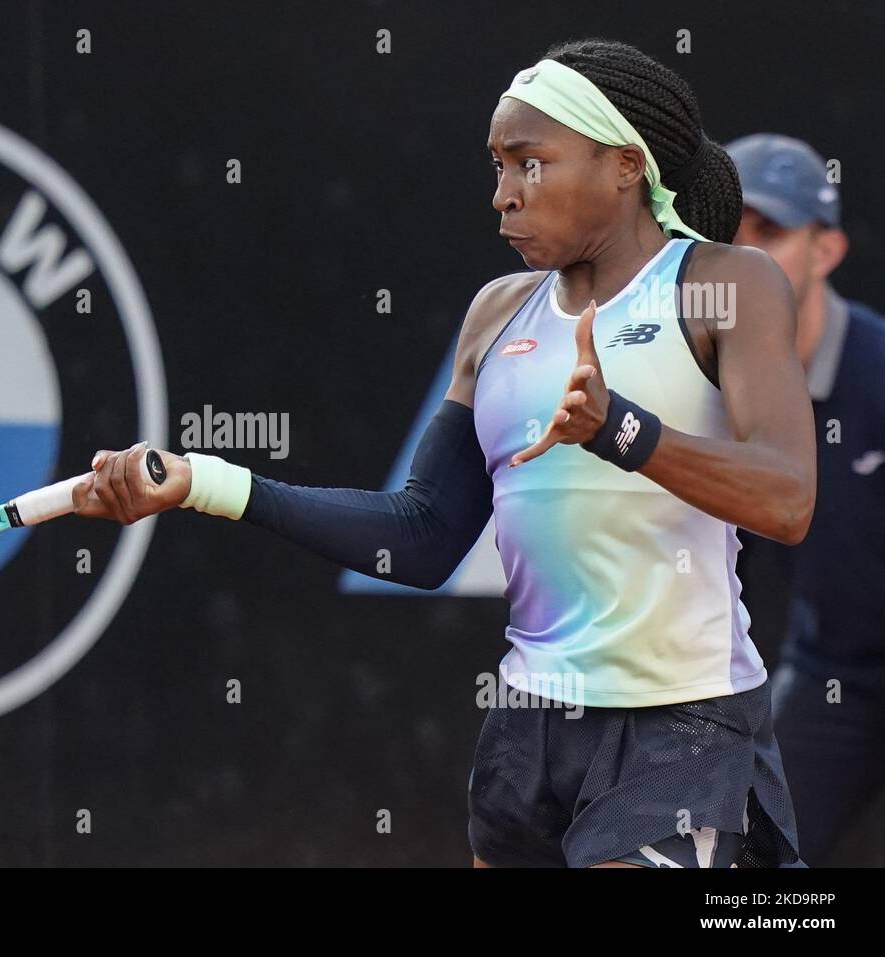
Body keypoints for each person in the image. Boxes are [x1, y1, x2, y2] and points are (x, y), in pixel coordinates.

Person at [74, 38, 815, 868]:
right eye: (497, 166)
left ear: (623, 165)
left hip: (681, 724)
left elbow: (786, 500)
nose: (503, 196)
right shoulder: (497, 312)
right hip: (529, 728)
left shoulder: (725, 285)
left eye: (529, 163)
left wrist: (621, 430)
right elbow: (423, 533)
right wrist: (204, 482)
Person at [727, 133, 885, 866]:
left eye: (770, 231)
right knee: (752, 865)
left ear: (824, 252)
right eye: (725, 231)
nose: (744, 254)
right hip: (837, 677)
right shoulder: (709, 387)